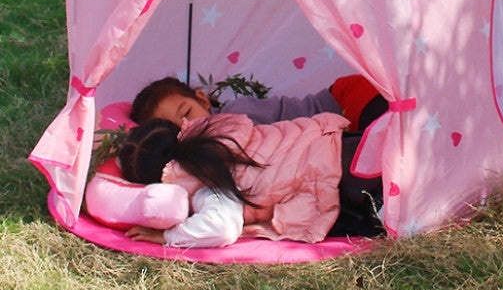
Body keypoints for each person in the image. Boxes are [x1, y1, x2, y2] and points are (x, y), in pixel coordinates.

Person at [119, 111, 384, 247]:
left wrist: (168, 236)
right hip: (344, 143)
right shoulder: (214, 129)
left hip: (345, 185)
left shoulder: (203, 181)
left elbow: (221, 227)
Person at [130, 74, 388, 133]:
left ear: (202, 99)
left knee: (388, 144)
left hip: (347, 99)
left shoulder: (236, 115)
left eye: (187, 113)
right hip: (342, 120)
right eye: (175, 128)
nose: (187, 125)